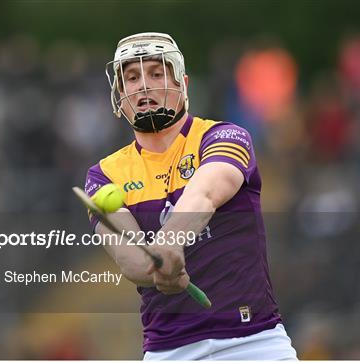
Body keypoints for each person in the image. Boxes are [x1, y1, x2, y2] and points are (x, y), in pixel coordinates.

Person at [84, 32, 297, 360]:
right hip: (169, 349)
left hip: (255, 341)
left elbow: (206, 192)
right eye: (131, 78)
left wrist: (170, 242)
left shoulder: (224, 136)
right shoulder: (104, 176)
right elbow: (129, 256)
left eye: (156, 73)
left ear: (182, 82)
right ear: (120, 94)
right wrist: (157, 267)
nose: (143, 85)